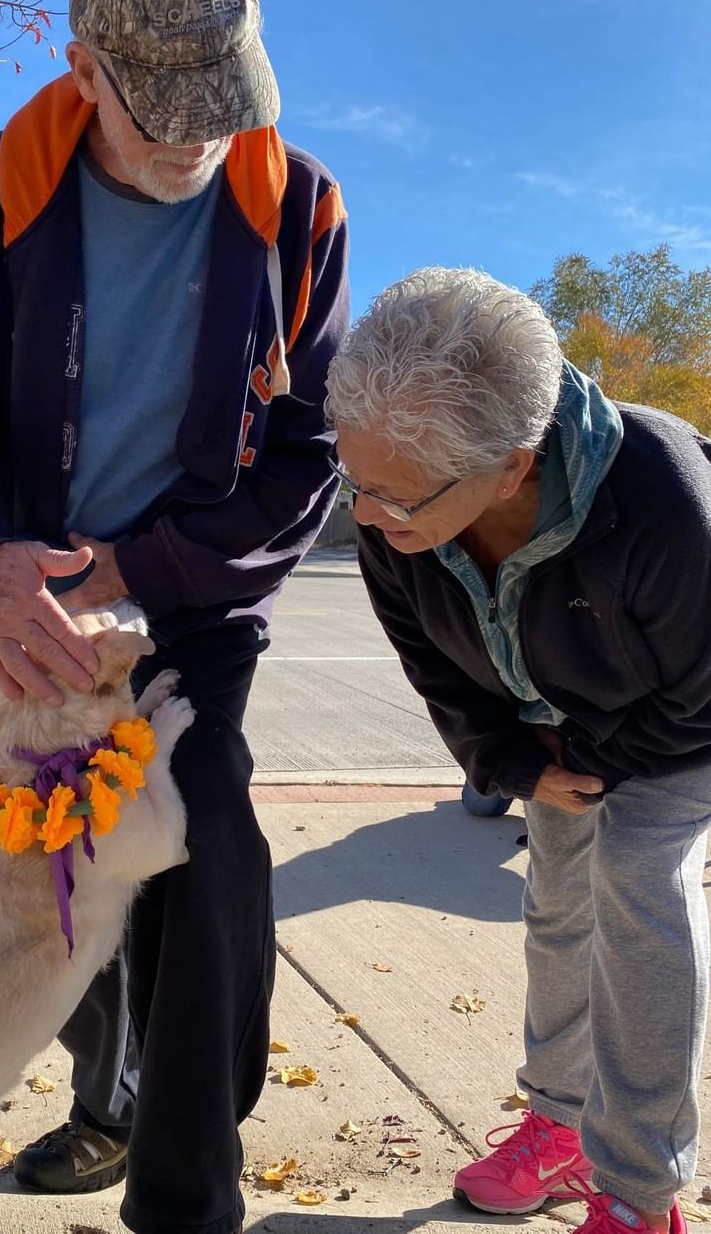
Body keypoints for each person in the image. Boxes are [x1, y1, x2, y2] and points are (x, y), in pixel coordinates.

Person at [0, 0, 349, 1234]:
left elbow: (307, 455)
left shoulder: (298, 207)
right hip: (28, 622)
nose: (197, 139)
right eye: (161, 111)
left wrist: (139, 563)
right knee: (59, 891)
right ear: (83, 70)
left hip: (187, 601)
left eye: (222, 103)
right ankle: (105, 1105)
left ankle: (191, 1192)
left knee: (212, 865)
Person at [325, 267, 711, 1234]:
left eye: (392, 496)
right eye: (353, 481)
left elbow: (708, 688)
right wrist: (510, 765)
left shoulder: (664, 494)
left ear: (513, 464)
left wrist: (604, 761)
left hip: (676, 726)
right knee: (556, 906)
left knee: (636, 890)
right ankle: (560, 1127)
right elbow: (436, 669)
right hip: (555, 733)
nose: (365, 516)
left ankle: (638, 1194)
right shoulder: (397, 513)